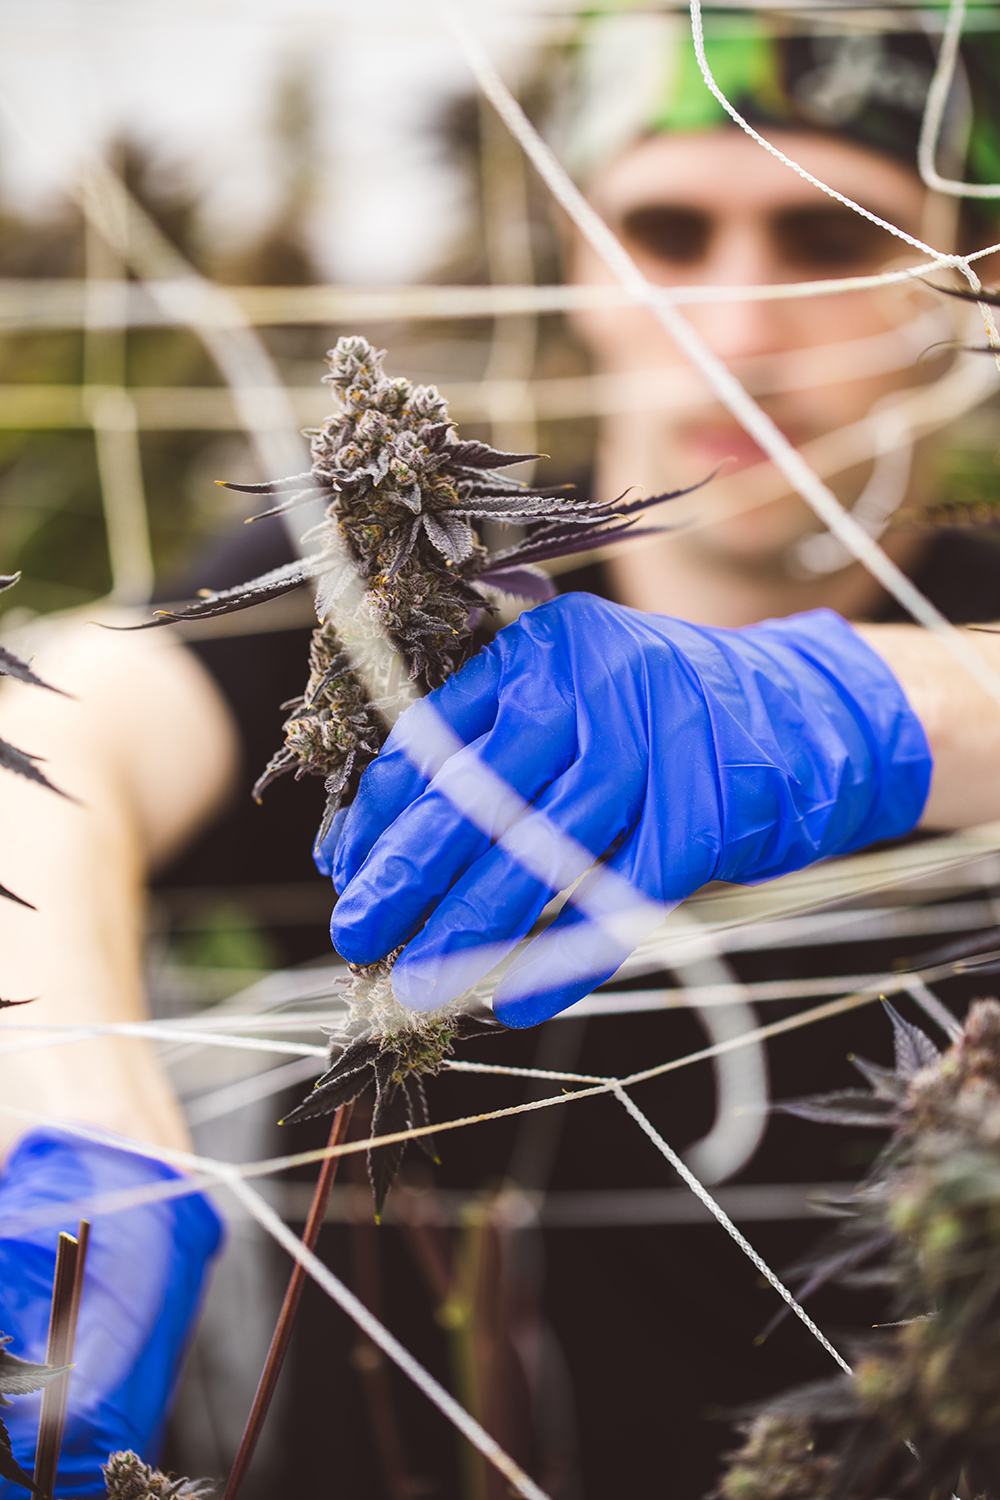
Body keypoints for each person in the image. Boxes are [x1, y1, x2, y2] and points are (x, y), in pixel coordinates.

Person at [2, 8, 1000, 1495]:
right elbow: (65, 714)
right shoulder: (404, 586)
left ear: (969, 286)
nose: (738, 327)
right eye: (669, 230)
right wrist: (75, 1120)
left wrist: (876, 710)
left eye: (832, 235)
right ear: (582, 263)